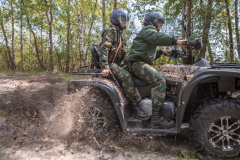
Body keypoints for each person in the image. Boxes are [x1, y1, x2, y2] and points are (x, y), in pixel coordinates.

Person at [123, 11, 188, 129]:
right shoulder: (147, 30)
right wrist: (176, 41)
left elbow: (147, 55)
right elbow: (156, 38)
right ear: (152, 21)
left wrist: (160, 52)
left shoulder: (148, 34)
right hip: (136, 64)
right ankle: (156, 118)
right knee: (160, 81)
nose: (160, 25)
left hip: (140, 62)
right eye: (159, 22)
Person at [99, 8, 148, 120]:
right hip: (110, 64)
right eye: (122, 19)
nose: (124, 22)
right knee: (126, 77)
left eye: (125, 20)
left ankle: (139, 100)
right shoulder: (111, 31)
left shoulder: (119, 34)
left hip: (116, 64)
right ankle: (134, 107)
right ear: (115, 18)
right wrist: (104, 67)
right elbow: (104, 49)